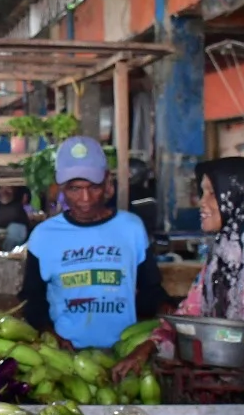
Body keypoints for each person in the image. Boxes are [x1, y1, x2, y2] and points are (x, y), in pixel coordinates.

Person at [123, 158, 244, 383]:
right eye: (203, 193)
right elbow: (192, 309)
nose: (202, 203)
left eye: (212, 194)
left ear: (239, 197)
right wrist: (150, 345)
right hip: (225, 386)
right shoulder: (225, 251)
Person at [20, 136, 164, 351]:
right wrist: (49, 334)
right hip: (67, 357)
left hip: (123, 353)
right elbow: (32, 298)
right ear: (60, 187)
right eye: (74, 189)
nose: (85, 199)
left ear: (108, 183)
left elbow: (150, 290)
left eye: (94, 187)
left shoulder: (131, 228)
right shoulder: (44, 236)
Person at [0, 184, 34, 248]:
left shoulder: (17, 211)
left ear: (16, 191)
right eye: (1, 188)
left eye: (9, 188)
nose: (4, 192)